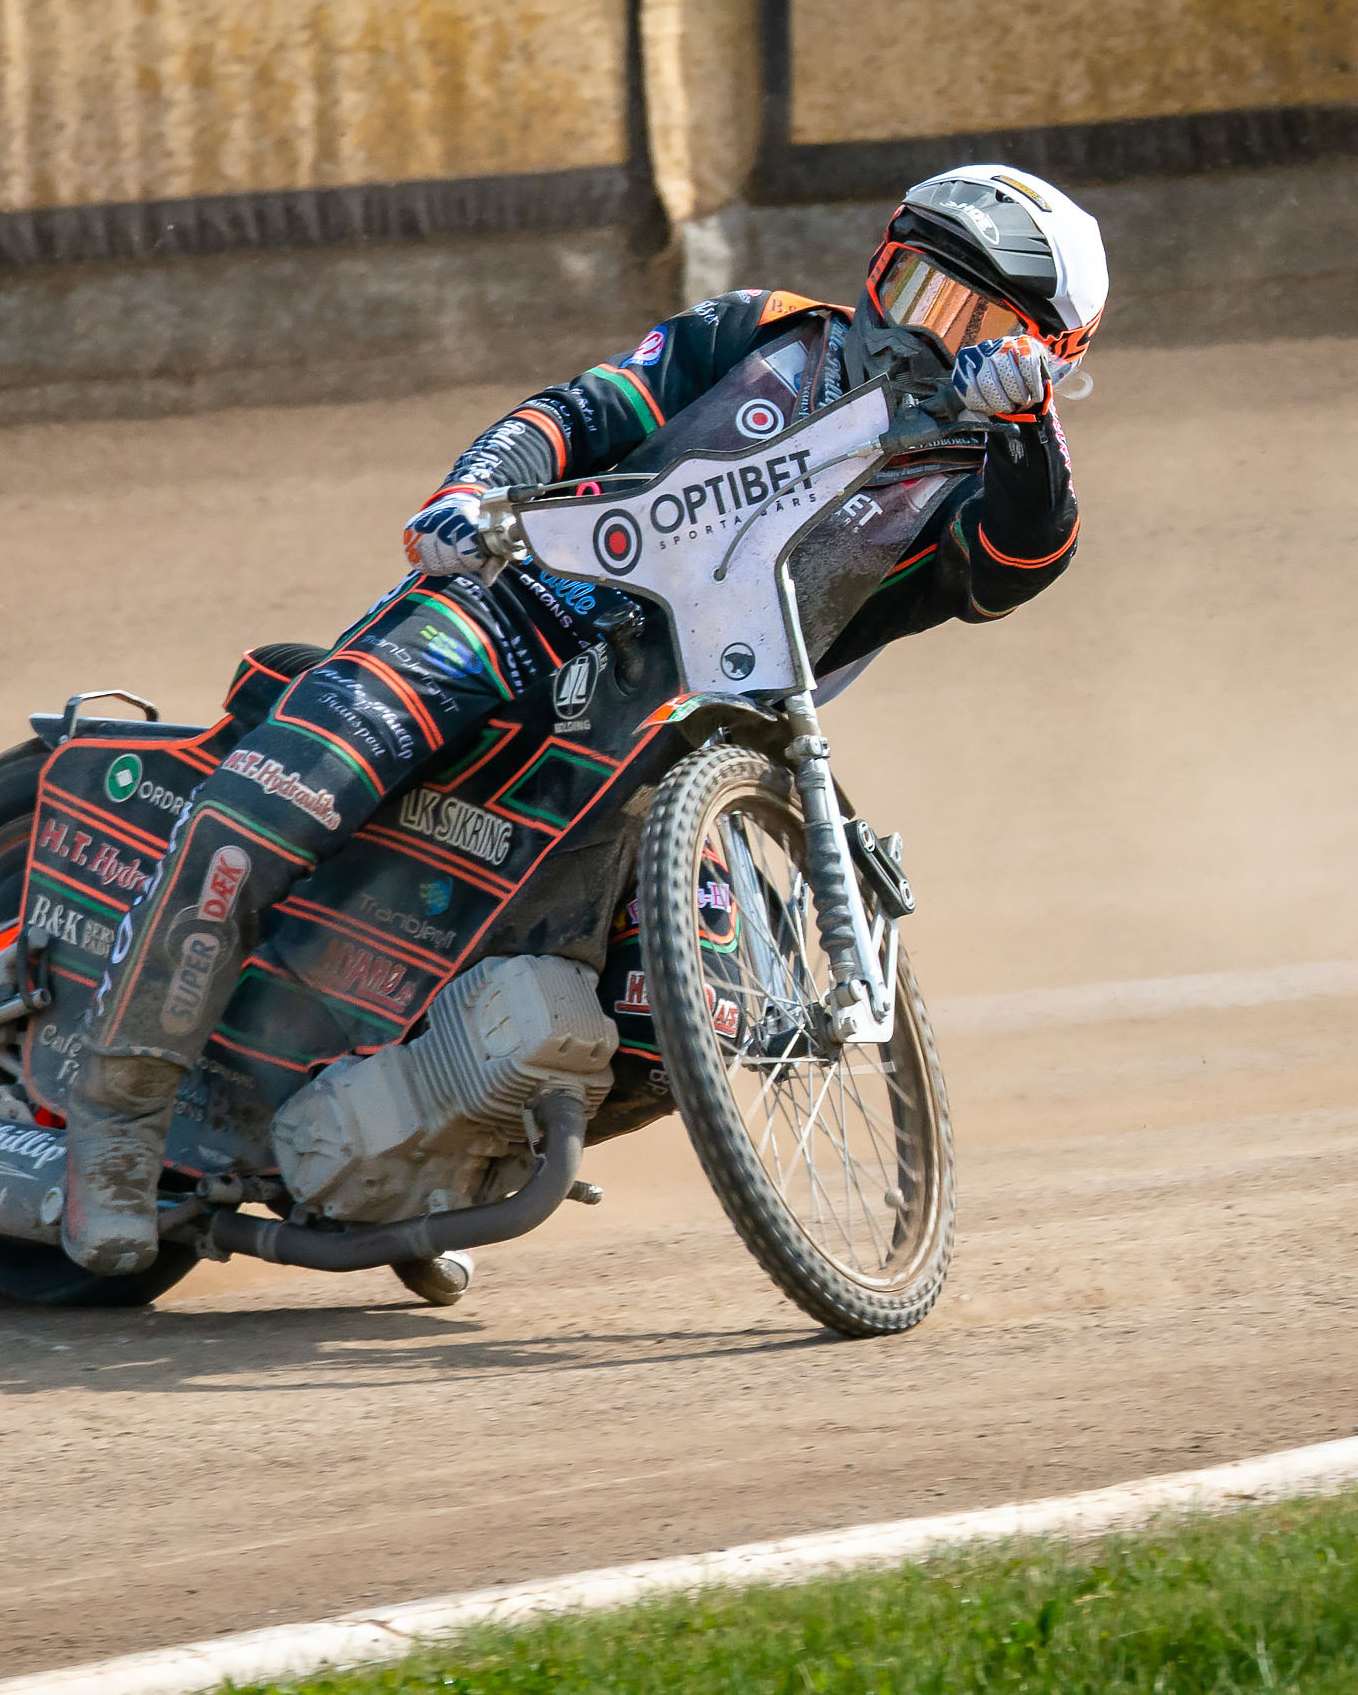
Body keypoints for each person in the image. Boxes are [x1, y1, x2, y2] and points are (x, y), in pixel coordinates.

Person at [56, 164, 1108, 1275]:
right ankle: (114, 1118)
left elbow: (1017, 564)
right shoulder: (765, 330)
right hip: (518, 603)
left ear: (1049, 356)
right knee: (280, 798)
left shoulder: (973, 485)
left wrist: (1025, 429)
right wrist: (474, 490)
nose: (925, 332)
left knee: (673, 1028)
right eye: (914, 288)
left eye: (974, 321)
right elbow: (586, 408)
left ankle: (434, 1157)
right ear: (878, 266)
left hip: (679, 734)